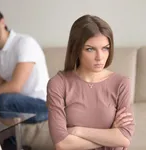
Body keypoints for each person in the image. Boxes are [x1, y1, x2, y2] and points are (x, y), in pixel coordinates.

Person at [47, 14, 135, 150]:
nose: (100, 57)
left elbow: (124, 138)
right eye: (90, 49)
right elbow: (62, 144)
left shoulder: (121, 83)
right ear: (76, 49)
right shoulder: (58, 84)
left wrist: (78, 131)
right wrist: (110, 135)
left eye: (105, 48)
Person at [0, 8, 49, 123]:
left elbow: (15, 86)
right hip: (15, 106)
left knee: (3, 101)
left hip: (42, 106)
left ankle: (12, 137)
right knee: (1, 102)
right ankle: (10, 138)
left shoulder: (24, 43)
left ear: (2, 22)